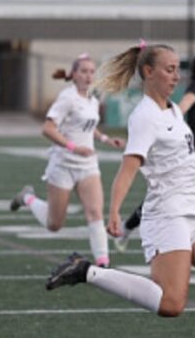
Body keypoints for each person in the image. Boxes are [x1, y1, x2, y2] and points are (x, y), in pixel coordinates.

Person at [46, 42, 195, 338]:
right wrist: (114, 212)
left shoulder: (173, 109)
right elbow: (129, 169)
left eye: (178, 68)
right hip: (167, 214)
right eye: (169, 69)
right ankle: (85, 270)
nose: (176, 75)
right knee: (171, 305)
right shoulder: (144, 116)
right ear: (148, 72)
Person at [114, 51, 195, 251]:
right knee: (166, 196)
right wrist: (167, 124)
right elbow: (181, 108)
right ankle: (128, 225)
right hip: (191, 150)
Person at [10, 54, 124, 267]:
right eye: (84, 71)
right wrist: (73, 147)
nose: (89, 76)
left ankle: (103, 263)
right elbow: (48, 128)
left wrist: (106, 139)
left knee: (95, 212)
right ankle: (28, 198)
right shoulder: (67, 97)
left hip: (88, 165)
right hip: (63, 164)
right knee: (54, 224)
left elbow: (88, 127)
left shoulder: (93, 99)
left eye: (92, 72)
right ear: (74, 75)